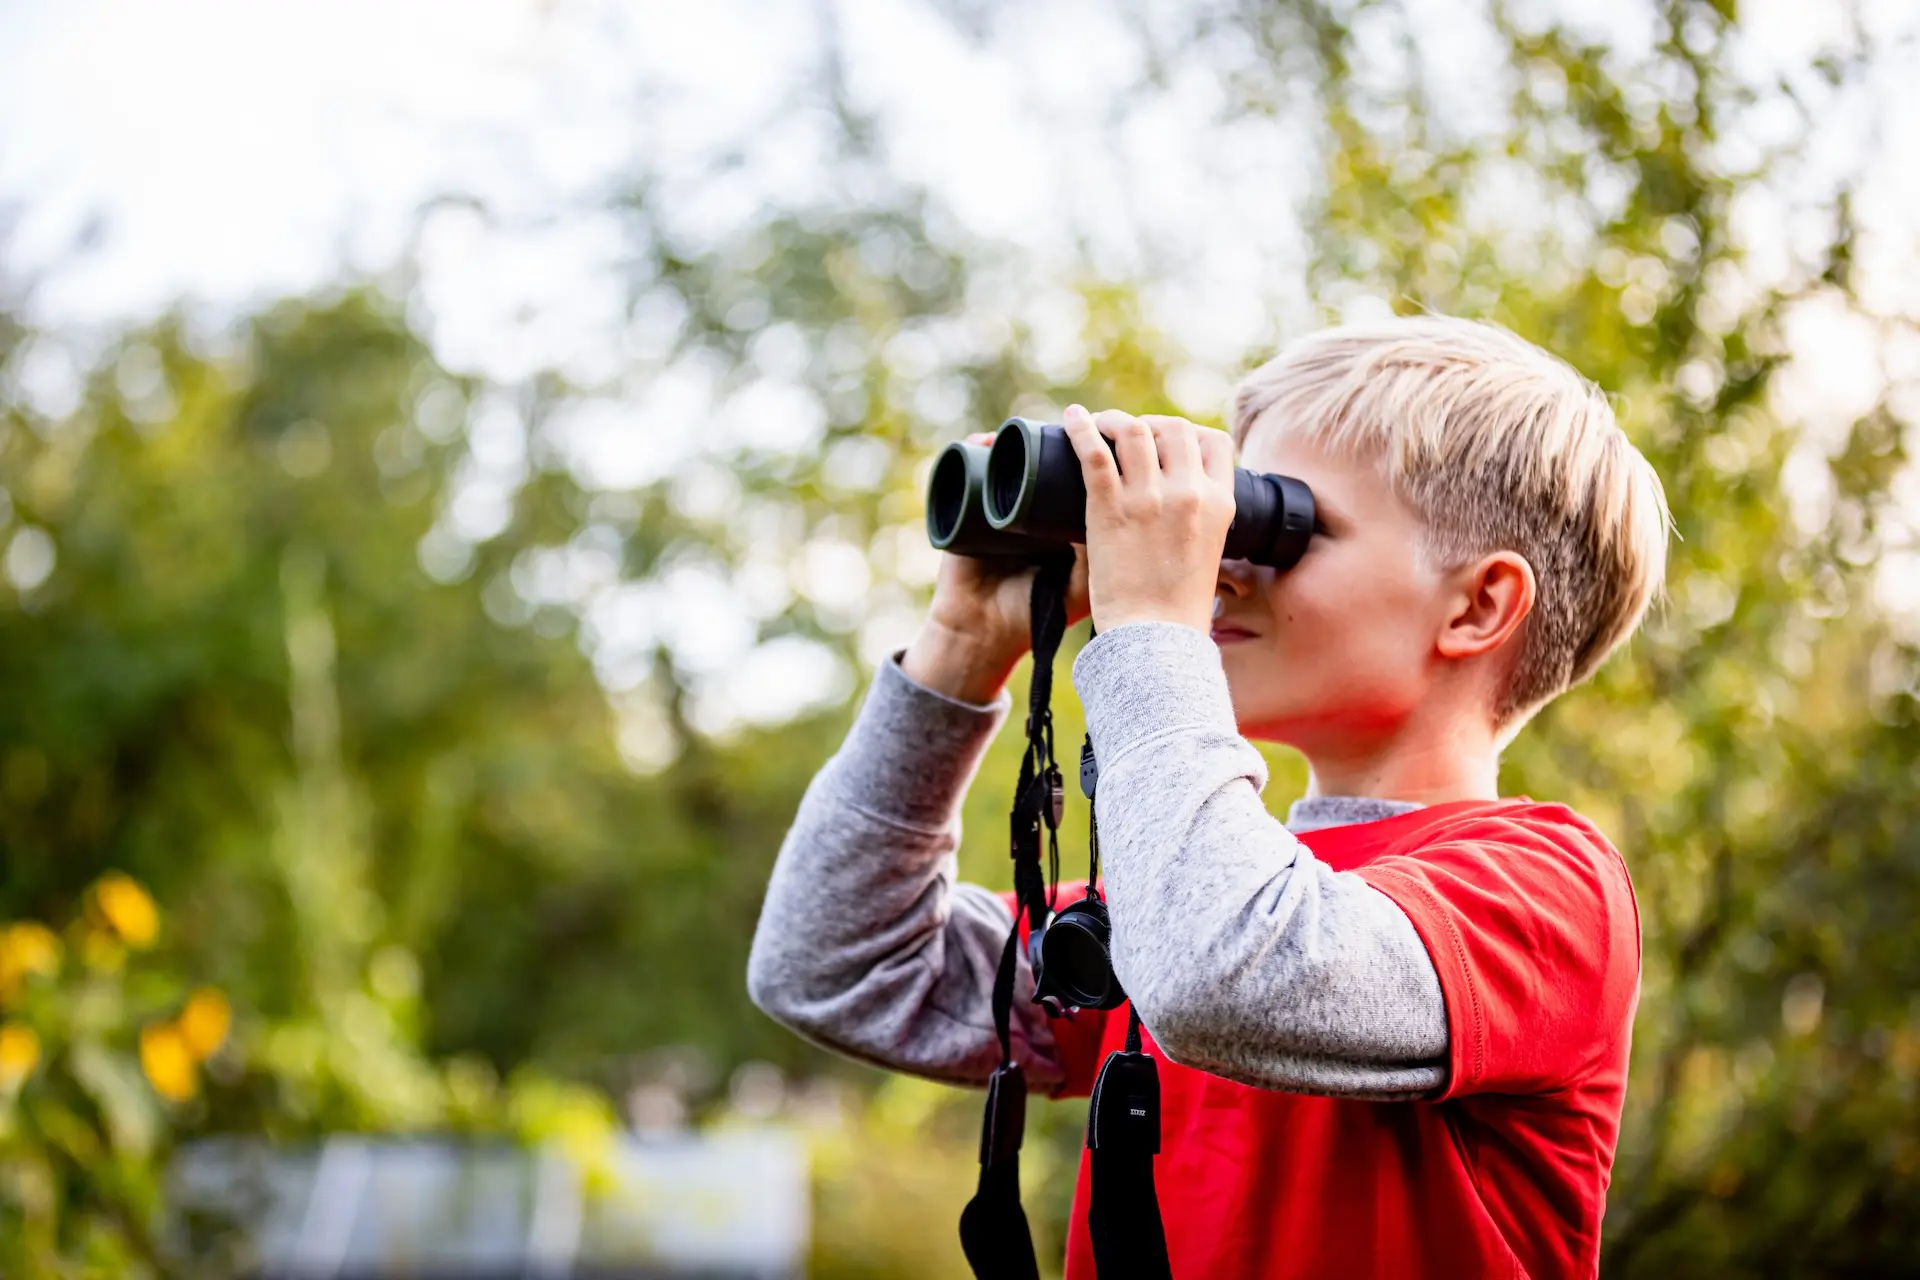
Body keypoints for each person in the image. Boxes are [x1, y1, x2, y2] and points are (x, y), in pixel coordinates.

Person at [747, 315, 1670, 1279]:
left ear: (1477, 606)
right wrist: (963, 647)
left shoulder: (1550, 892)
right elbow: (837, 966)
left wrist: (1152, 624)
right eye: (1222, 524)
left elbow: (1218, 966)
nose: (1221, 569)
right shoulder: (1176, 889)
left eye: (1279, 524)